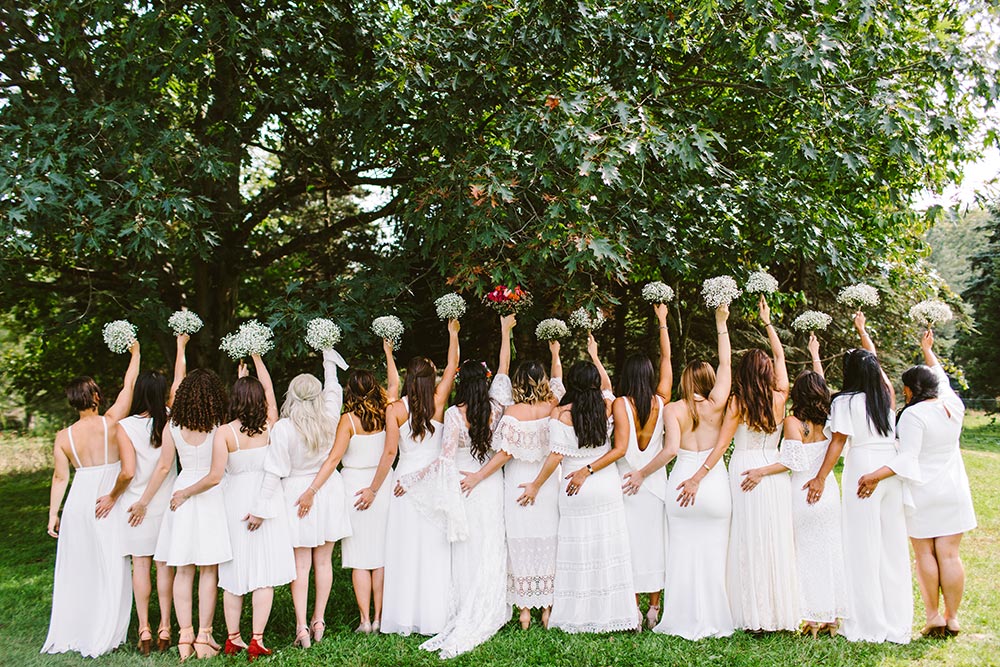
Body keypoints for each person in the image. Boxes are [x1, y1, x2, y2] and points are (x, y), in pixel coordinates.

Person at [804, 312, 915, 644]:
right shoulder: (886, 397)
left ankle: (867, 623)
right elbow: (877, 367)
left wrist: (821, 477)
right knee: (892, 548)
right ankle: (897, 623)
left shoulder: (845, 402)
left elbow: (838, 442)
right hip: (890, 471)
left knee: (860, 546)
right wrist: (863, 333)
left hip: (863, 468)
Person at [624, 303, 733, 640]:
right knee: (713, 555)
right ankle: (716, 617)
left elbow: (670, 451)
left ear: (686, 381)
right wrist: (720, 322)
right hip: (712, 483)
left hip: (681, 484)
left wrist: (642, 473)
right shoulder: (718, 404)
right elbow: (727, 362)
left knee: (682, 555)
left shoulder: (674, 409)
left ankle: (679, 617)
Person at [519, 334, 638, 633]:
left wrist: (534, 484)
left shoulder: (561, 414)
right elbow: (608, 387)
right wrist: (596, 356)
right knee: (608, 550)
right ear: (595, 383)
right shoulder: (607, 405)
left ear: (571, 383)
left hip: (575, 487)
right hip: (605, 482)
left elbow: (555, 458)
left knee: (578, 552)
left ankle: (577, 614)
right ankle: (613, 613)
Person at [740, 334, 847, 635]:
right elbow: (821, 388)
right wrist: (815, 356)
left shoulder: (793, 421)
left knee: (803, 555)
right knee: (828, 552)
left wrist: (760, 470)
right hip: (827, 492)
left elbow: (792, 461)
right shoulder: (831, 419)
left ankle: (811, 619)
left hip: (800, 494)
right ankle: (831, 618)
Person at [461, 317, 564, 629]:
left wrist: (479, 476)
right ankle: (547, 607)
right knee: (549, 540)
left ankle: (524, 611)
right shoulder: (554, 406)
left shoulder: (511, 412)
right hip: (546, 483)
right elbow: (558, 379)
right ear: (542, 380)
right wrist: (556, 352)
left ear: (519, 382)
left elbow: (504, 454)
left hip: (517, 481)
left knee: (518, 540)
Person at [42, 342, 140, 658]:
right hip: (105, 497)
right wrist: (135, 354)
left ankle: (77, 626)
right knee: (112, 562)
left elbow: (60, 478)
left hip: (78, 499)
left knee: (79, 566)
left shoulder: (63, 436)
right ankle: (107, 628)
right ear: (95, 397)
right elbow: (129, 385)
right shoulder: (111, 422)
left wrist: (53, 513)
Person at [422, 317, 513, 657]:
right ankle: (490, 603)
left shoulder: (453, 415)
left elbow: (445, 460)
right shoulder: (499, 409)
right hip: (490, 483)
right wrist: (506, 331)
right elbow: (505, 368)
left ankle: (466, 608)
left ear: (461, 382)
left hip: (464, 484)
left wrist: (417, 477)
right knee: (491, 544)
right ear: (486, 381)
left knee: (469, 549)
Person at [708, 296, 798, 632]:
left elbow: (722, 444)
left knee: (746, 538)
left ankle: (750, 616)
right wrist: (768, 322)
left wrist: (701, 472)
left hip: (744, 469)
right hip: (772, 472)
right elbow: (780, 355)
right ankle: (775, 614)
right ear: (769, 373)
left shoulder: (738, 401)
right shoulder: (780, 396)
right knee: (773, 539)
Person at [297, 339, 399, 633]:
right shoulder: (388, 412)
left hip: (354, 487)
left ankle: (365, 621)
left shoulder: (348, 420)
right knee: (379, 557)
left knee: (359, 559)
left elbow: (332, 461)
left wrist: (311, 490)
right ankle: (380, 618)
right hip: (381, 485)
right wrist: (388, 352)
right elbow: (394, 385)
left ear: (350, 392)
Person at [254, 350, 350, 648]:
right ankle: (319, 620)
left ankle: (301, 627)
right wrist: (327, 360)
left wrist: (259, 508)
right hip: (327, 490)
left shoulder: (283, 429)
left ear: (291, 396)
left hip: (297, 496)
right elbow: (334, 388)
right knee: (324, 562)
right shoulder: (330, 417)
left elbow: (274, 472)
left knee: (301, 566)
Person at [381, 319, 465, 636]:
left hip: (404, 483)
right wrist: (453, 333)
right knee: (433, 551)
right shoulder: (439, 399)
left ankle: (402, 616)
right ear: (431, 378)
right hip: (432, 482)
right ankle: (433, 616)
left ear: (408, 377)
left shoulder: (395, 410)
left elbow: (390, 454)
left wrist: (388, 353)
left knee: (404, 550)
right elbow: (453, 365)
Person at [140, 368, 230, 659]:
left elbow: (165, 467)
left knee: (183, 569)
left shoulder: (172, 426)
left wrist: (144, 500)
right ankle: (204, 636)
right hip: (209, 495)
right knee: (208, 569)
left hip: (181, 495)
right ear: (213, 396)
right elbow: (221, 470)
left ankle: (184, 636)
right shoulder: (219, 425)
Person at [897, 330, 976, 637]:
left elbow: (907, 458)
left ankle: (933, 616)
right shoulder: (952, 406)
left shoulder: (912, 416)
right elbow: (941, 378)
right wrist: (928, 351)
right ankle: (953, 617)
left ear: (909, 390)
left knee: (924, 555)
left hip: (922, 493)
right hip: (953, 489)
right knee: (950, 555)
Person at [218, 354, 295, 660]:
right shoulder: (270, 425)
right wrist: (259, 360)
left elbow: (219, 473)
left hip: (234, 500)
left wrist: (242, 375)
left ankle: (233, 638)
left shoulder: (224, 432)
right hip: (267, 500)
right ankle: (257, 640)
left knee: (234, 574)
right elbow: (270, 394)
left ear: (234, 399)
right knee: (263, 573)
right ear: (260, 400)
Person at [118, 333, 187, 654]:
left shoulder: (126, 426)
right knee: (164, 567)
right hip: (167, 504)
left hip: (136, 506)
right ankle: (166, 626)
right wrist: (180, 347)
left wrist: (140, 502)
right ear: (162, 396)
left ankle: (144, 627)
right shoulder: (171, 419)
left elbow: (129, 470)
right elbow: (180, 383)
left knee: (141, 565)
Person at [614, 302, 672, 628]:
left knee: (631, 546)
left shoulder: (620, 405)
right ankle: (654, 607)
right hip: (655, 485)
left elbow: (617, 446)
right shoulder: (661, 400)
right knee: (654, 544)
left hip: (626, 484)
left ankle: (633, 609)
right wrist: (662, 321)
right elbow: (667, 361)